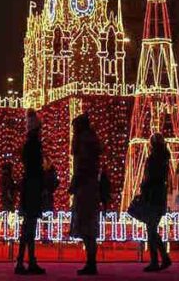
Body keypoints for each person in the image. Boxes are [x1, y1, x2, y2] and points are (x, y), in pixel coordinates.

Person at [69, 112, 102, 276]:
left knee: (86, 226)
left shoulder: (83, 144)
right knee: (89, 228)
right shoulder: (90, 142)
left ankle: (91, 262)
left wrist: (74, 184)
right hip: (90, 188)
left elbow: (82, 167)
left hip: (84, 189)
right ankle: (91, 261)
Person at [16, 110, 46, 275]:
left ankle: (24, 261)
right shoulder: (34, 145)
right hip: (33, 188)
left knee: (28, 226)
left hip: (29, 186)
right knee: (29, 226)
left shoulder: (28, 145)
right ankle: (25, 261)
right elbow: (36, 168)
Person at [138, 133, 171, 272]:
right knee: (152, 229)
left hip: (152, 196)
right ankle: (162, 258)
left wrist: (143, 187)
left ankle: (156, 260)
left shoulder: (154, 159)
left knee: (151, 229)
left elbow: (151, 177)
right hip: (159, 196)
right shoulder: (163, 158)